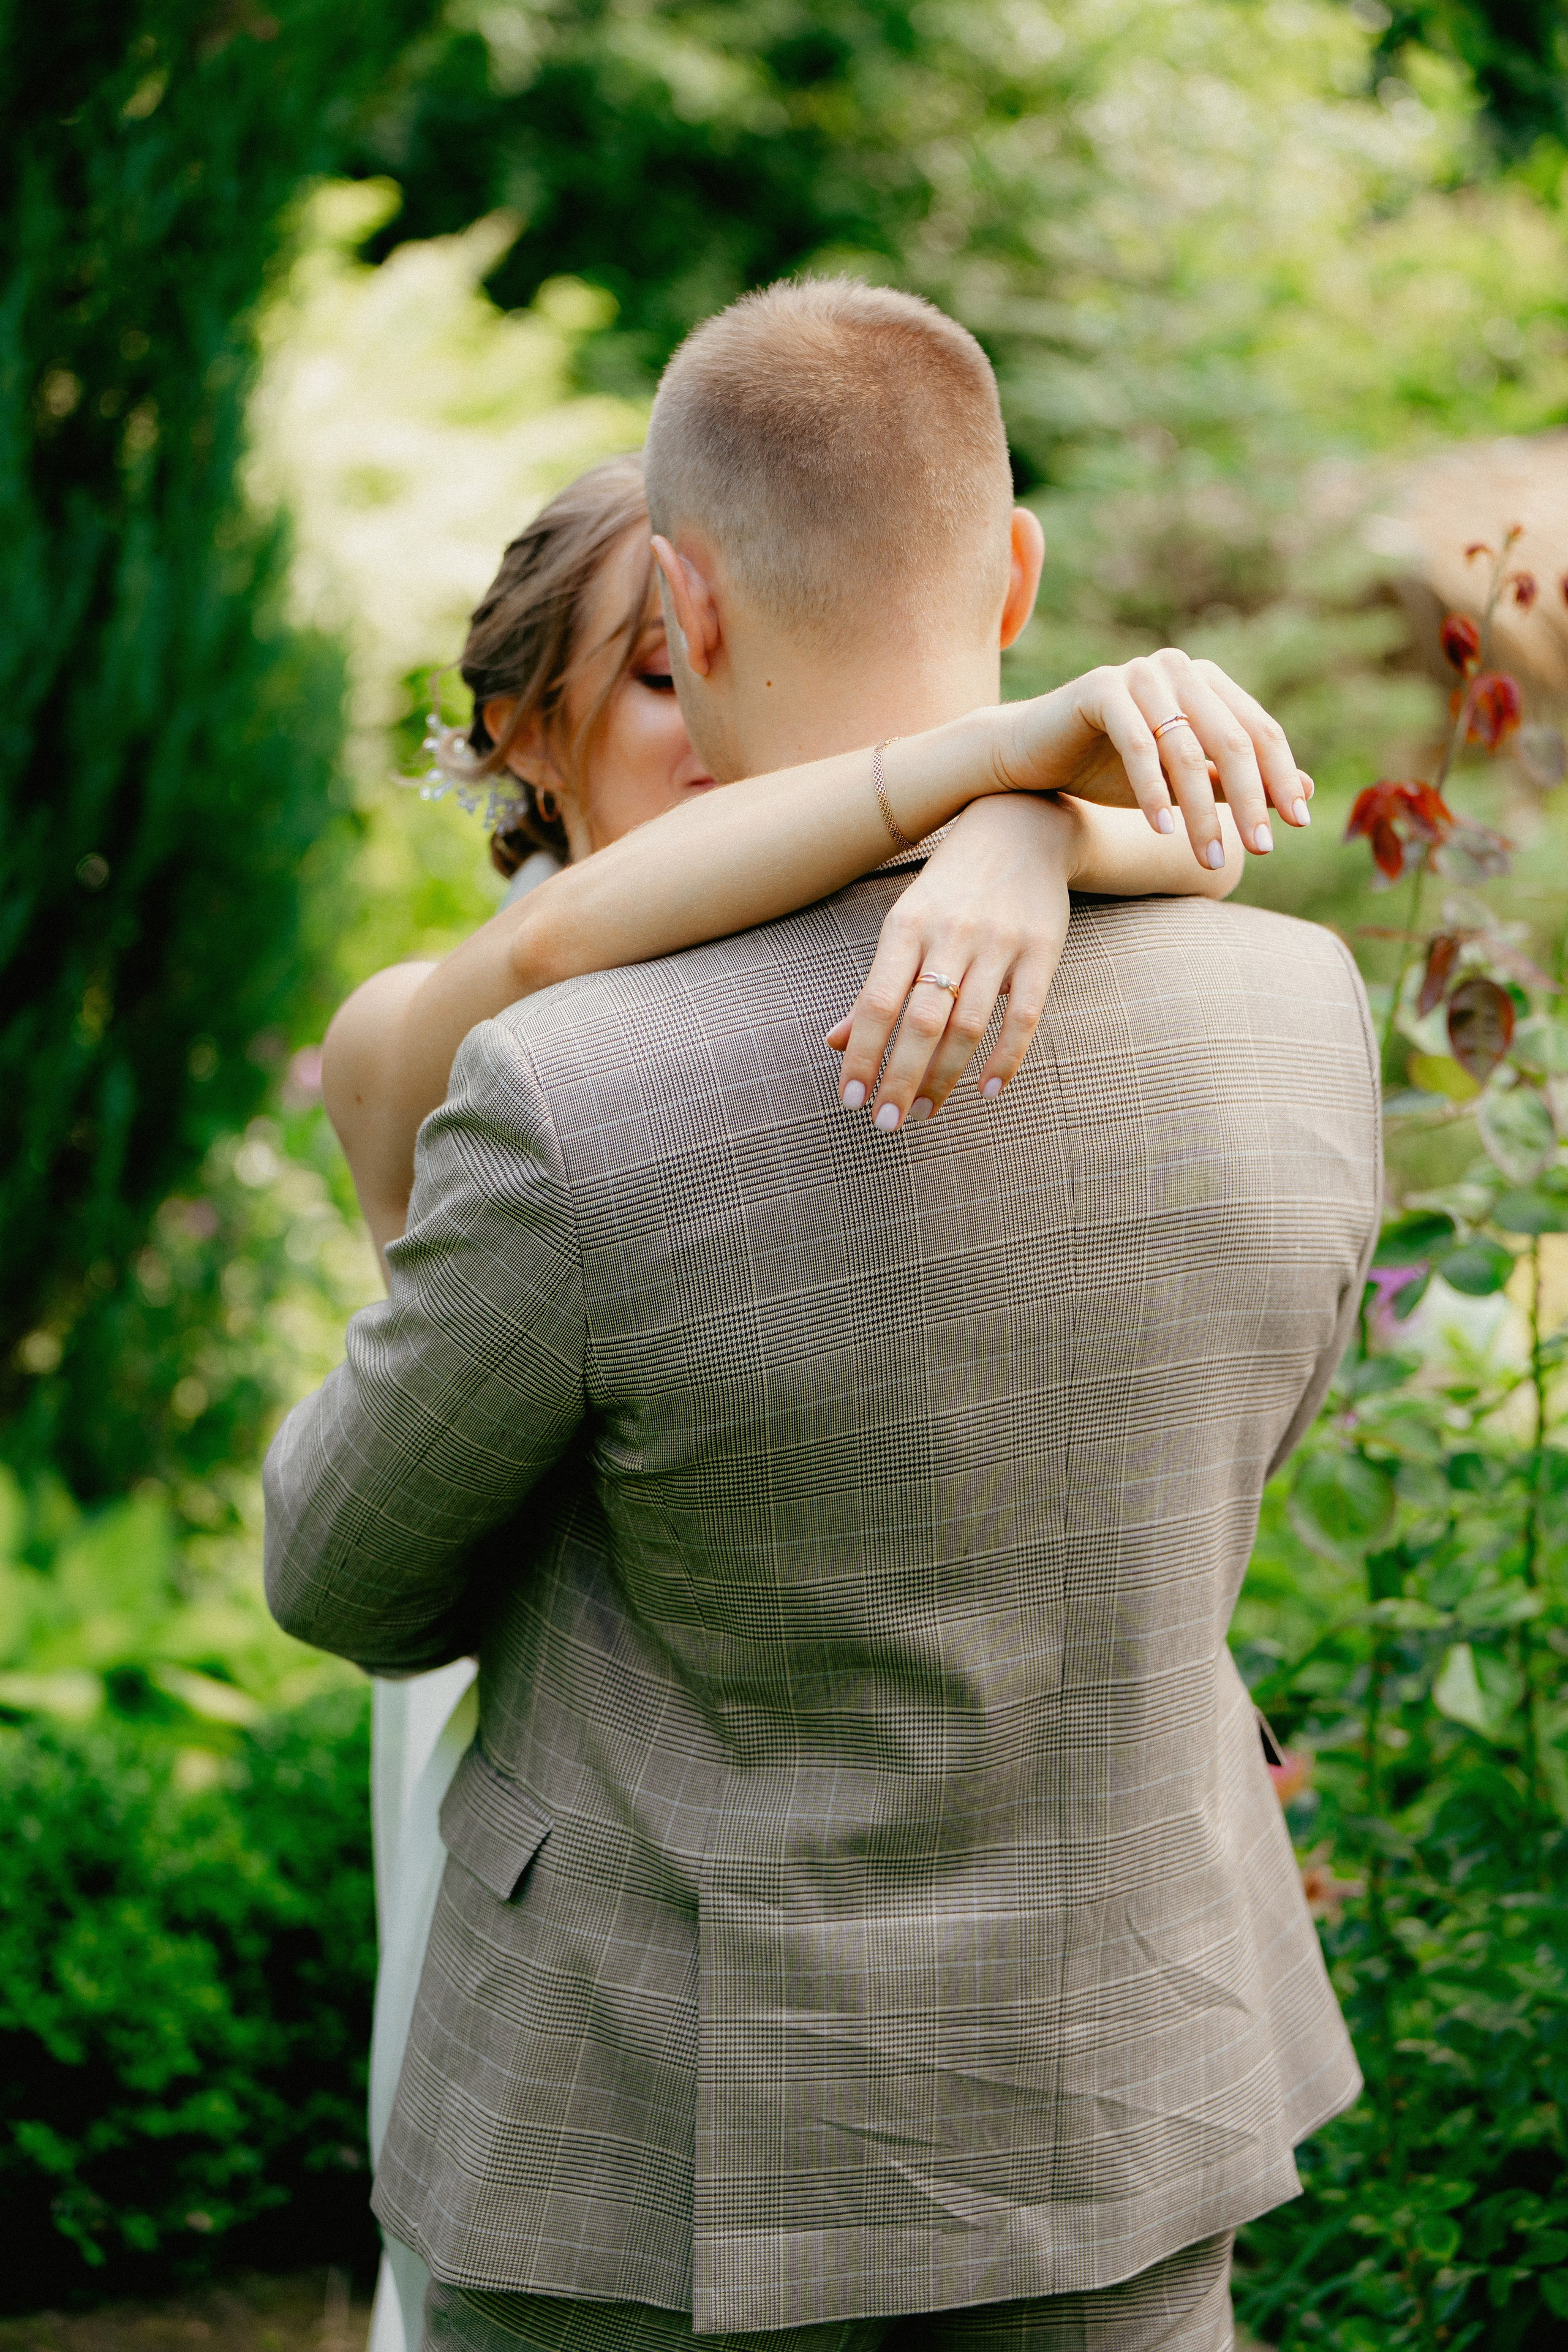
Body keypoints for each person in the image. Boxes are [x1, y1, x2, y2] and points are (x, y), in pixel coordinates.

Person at [267, 281, 1378, 2352]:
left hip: (659, 2135)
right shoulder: (1302, 1010)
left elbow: (344, 1574)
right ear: (1019, 566)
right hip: (1115, 2092)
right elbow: (1250, 1443)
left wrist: (1017, 815)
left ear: (685, 606)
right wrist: (1020, 799)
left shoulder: (576, 1100)